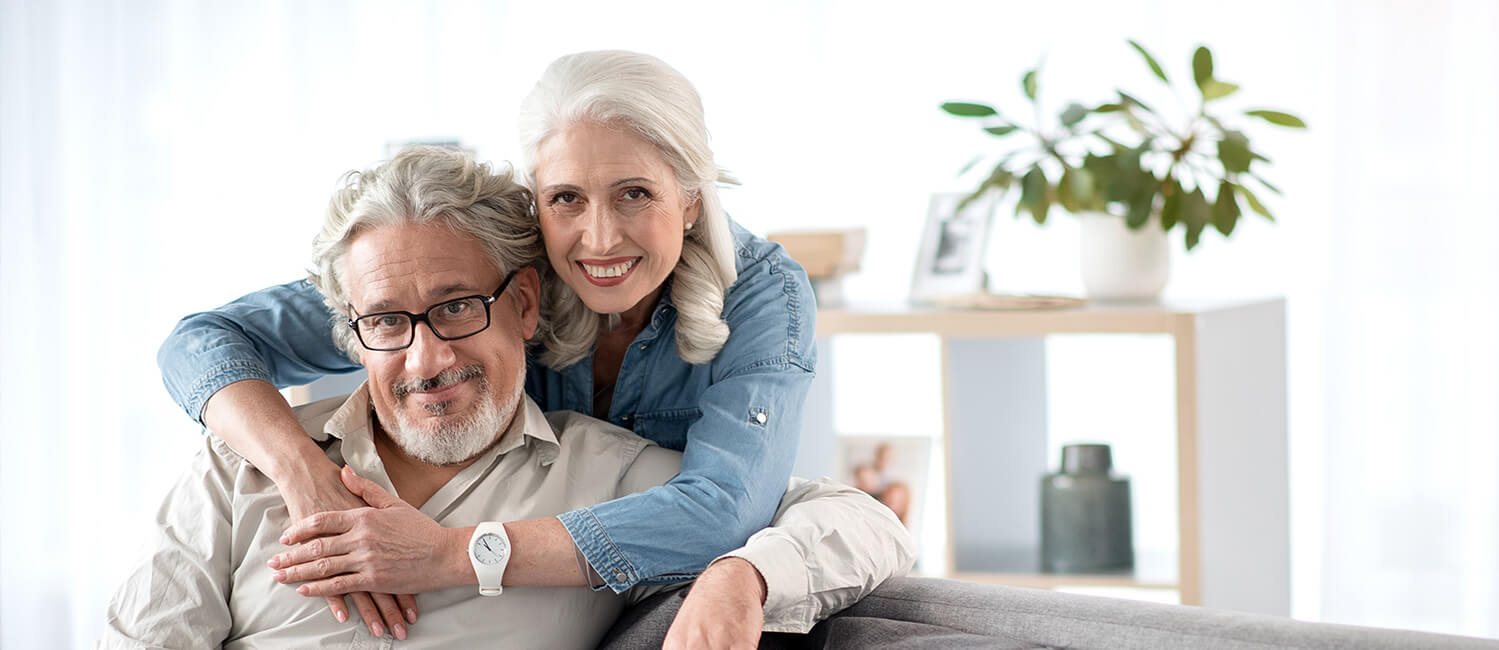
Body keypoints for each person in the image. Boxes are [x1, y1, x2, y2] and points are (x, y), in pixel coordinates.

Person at [106, 147, 911, 649]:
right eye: (387, 320)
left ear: (526, 304)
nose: (427, 358)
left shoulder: (610, 476)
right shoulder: (236, 465)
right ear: (350, 333)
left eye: (458, 306)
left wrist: (746, 578)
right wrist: (297, 472)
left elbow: (868, 525)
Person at [156, 50, 821, 633]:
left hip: (607, 596)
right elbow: (203, 342)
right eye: (566, 198)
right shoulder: (496, 264)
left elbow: (726, 508)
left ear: (693, 199)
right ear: (538, 197)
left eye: (634, 194)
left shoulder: (765, 296)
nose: (597, 239)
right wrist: (304, 474)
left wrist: (451, 553)